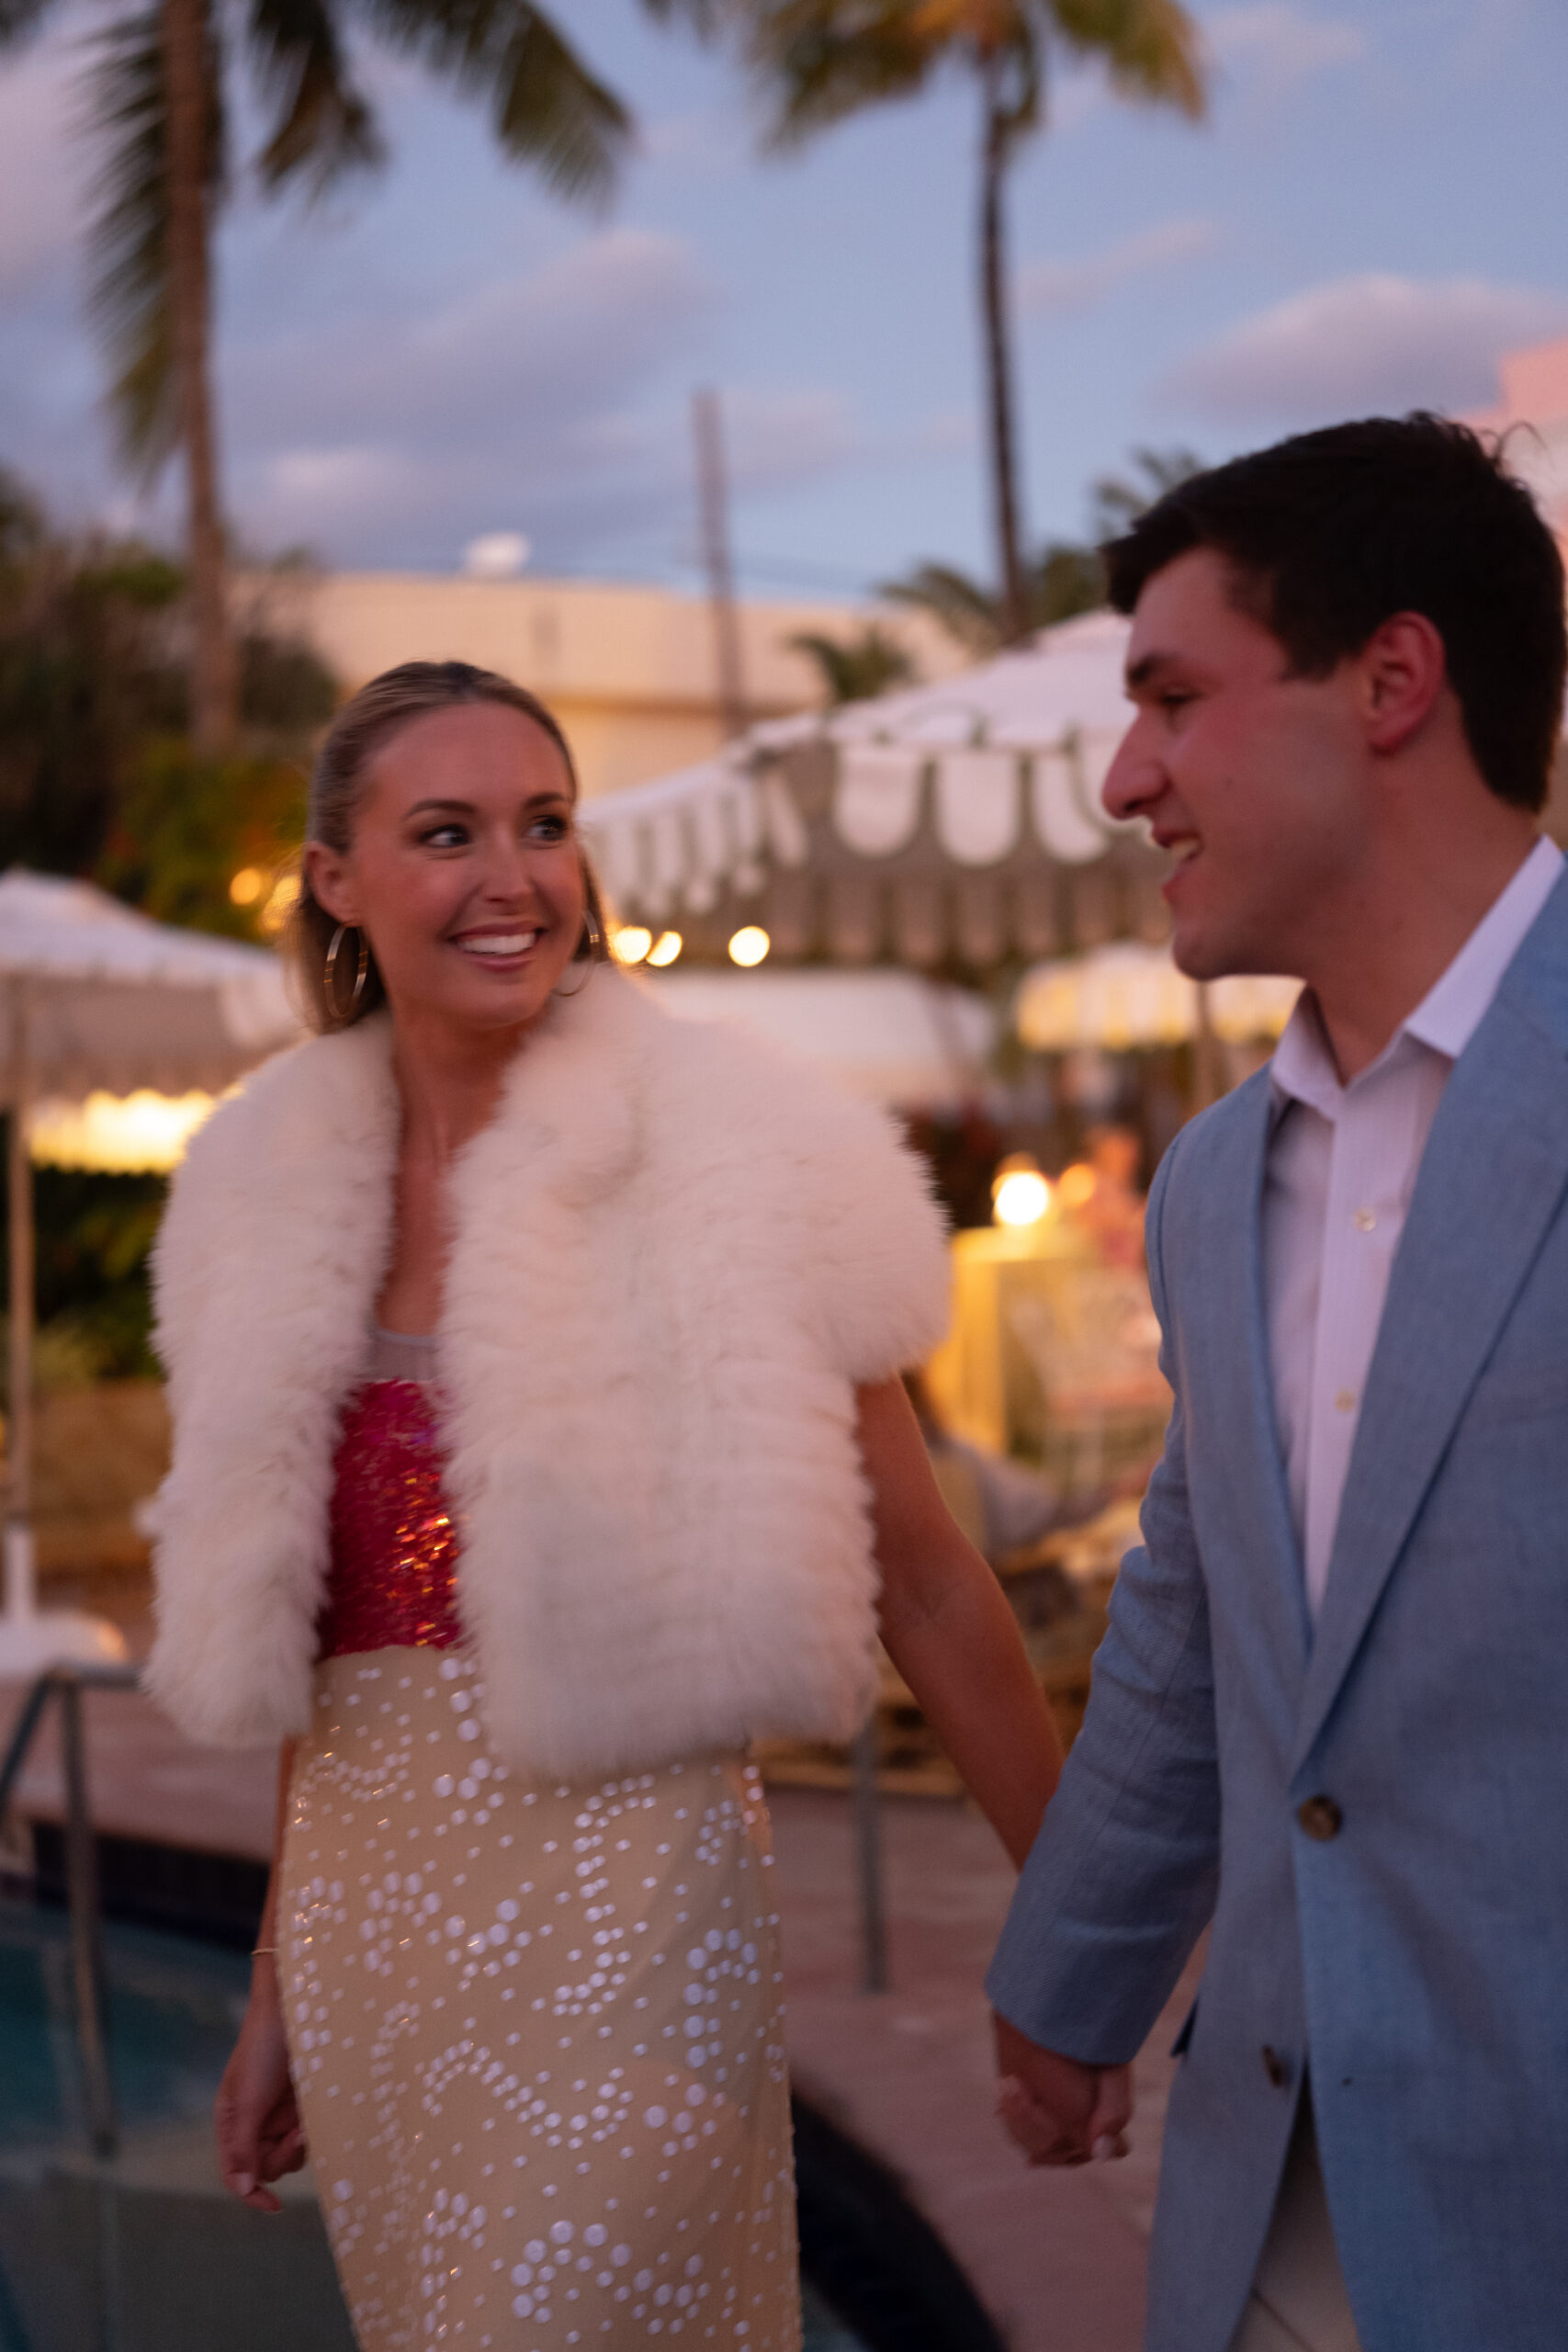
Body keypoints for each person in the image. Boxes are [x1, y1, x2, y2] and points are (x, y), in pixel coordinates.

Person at [146, 661, 1063, 2352]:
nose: (516, 876)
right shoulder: (261, 1195)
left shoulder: (736, 1159)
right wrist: (275, 1975)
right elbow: (320, 1658)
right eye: (448, 832)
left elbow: (927, 1584)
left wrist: (1081, 1938)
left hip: (631, 1928)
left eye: (546, 824)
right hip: (372, 1948)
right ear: (336, 878)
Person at [986, 416, 1568, 2352]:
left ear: (1389, 681)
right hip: (1273, 2207)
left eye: (1168, 694)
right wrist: (1068, 1972)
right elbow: (1196, 1598)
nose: (1119, 776)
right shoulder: (1214, 1176)